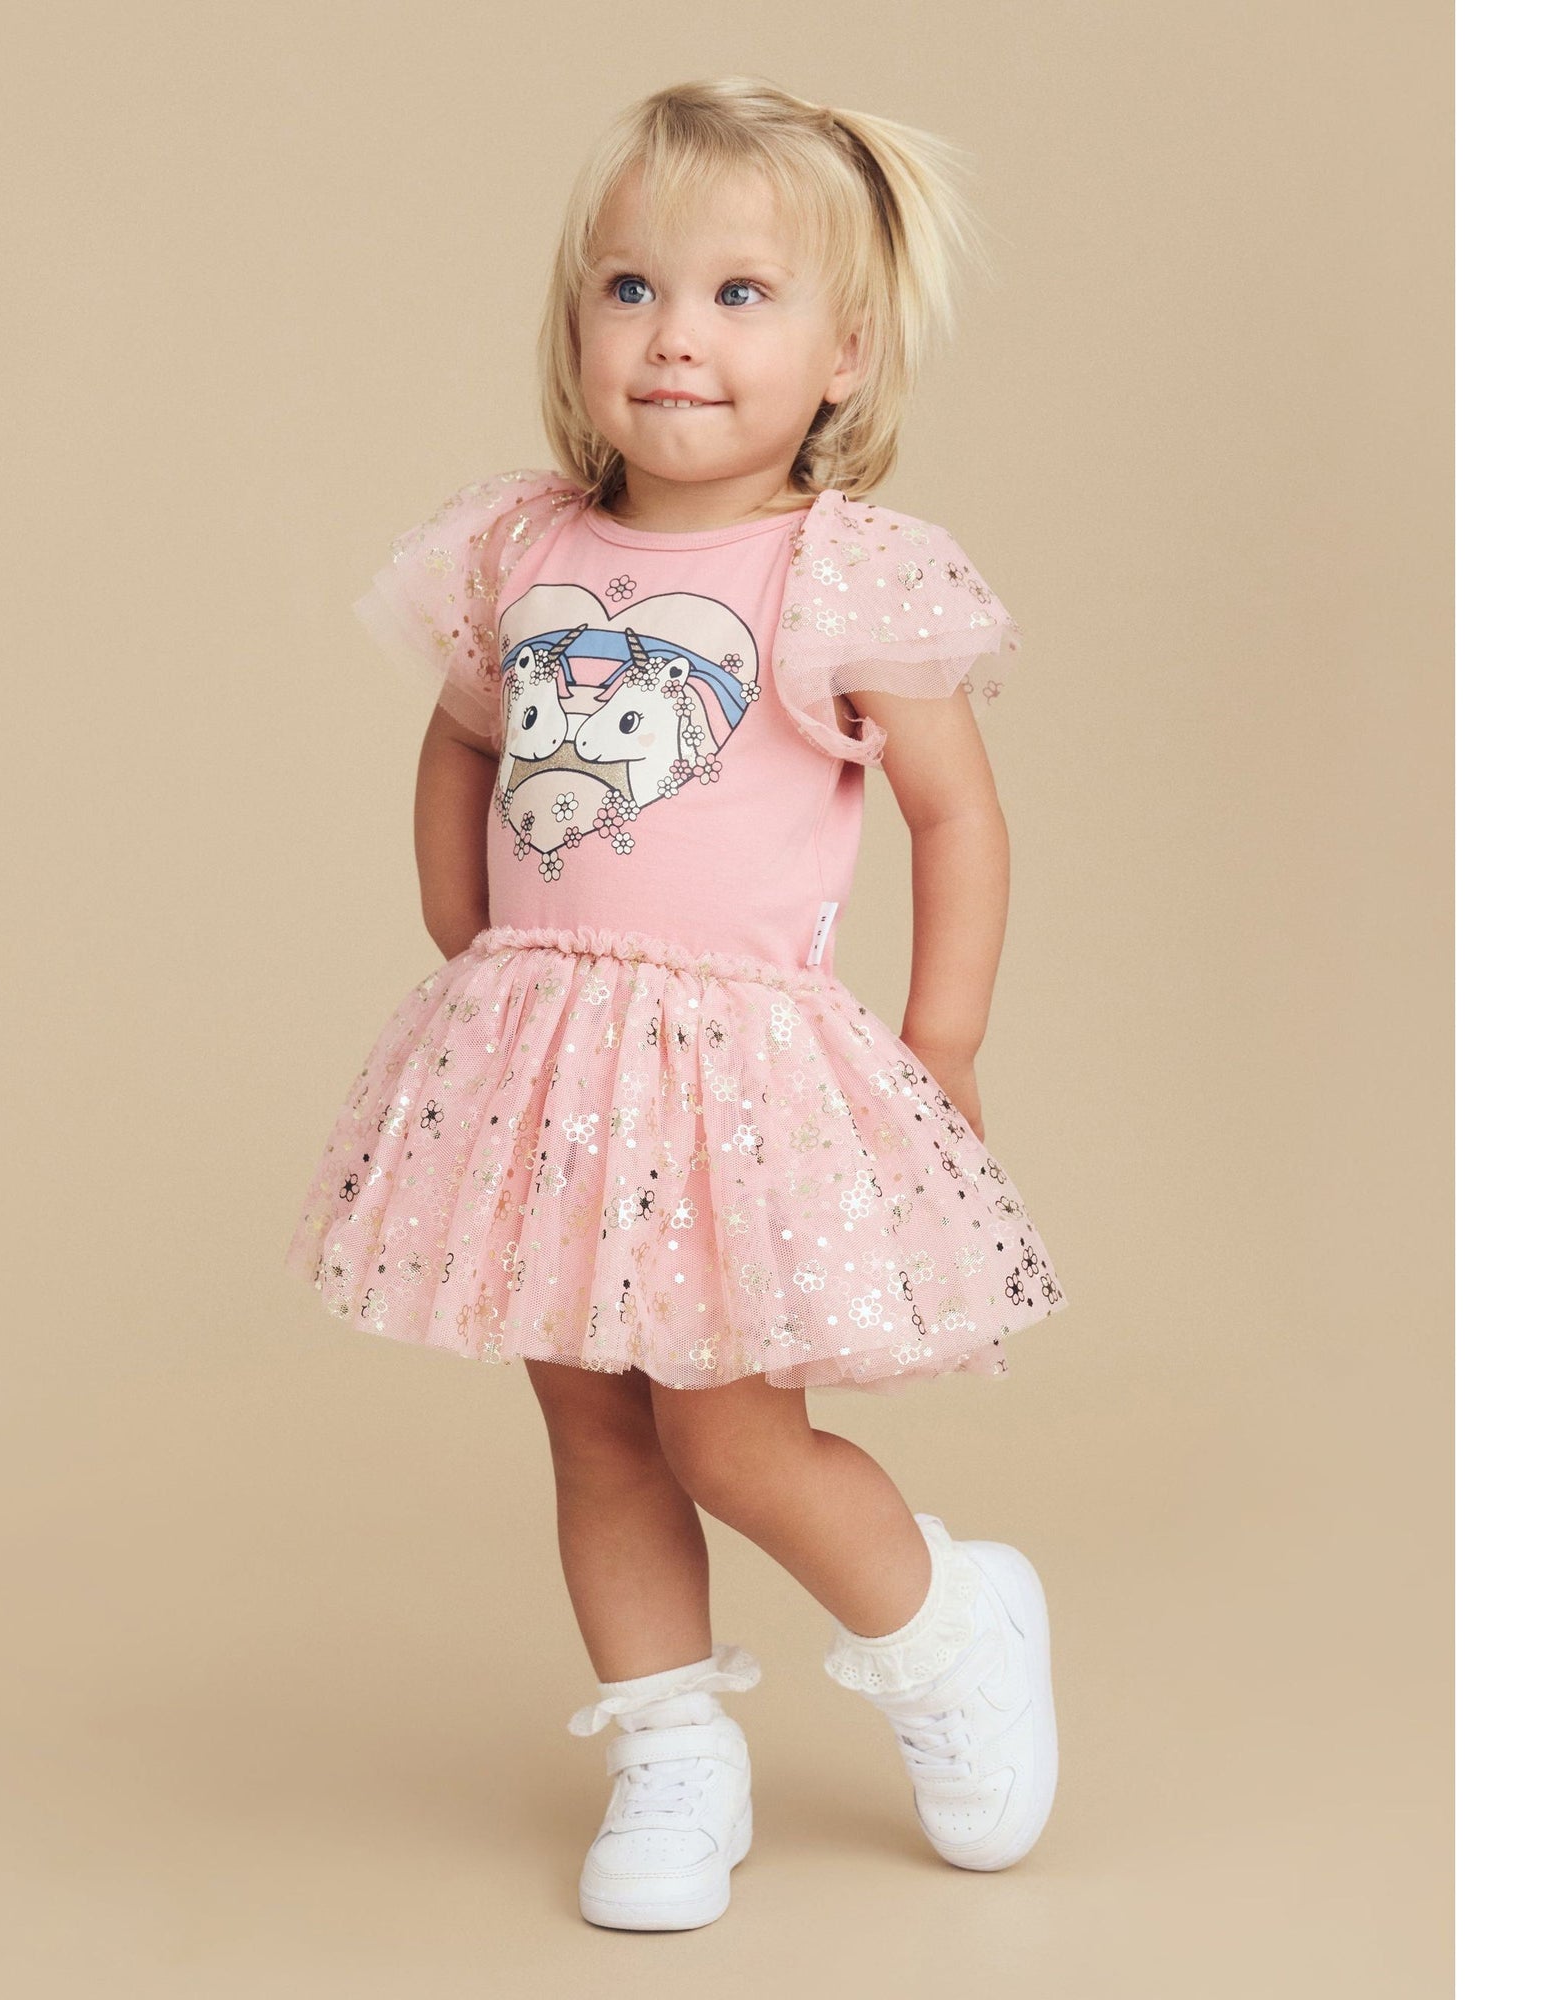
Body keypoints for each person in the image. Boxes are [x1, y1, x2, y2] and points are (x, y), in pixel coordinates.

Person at [286, 77, 1069, 1931]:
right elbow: (463, 741)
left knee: (729, 1434)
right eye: (631, 287)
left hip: (733, 1083)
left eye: (740, 295)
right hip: (546, 1065)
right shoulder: (522, 549)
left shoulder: (842, 571)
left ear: (843, 358)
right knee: (591, 1424)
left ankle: (948, 1628)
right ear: (578, 319)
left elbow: (958, 815)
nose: (675, 336)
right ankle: (668, 1748)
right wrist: (476, 948)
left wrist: (945, 1039)